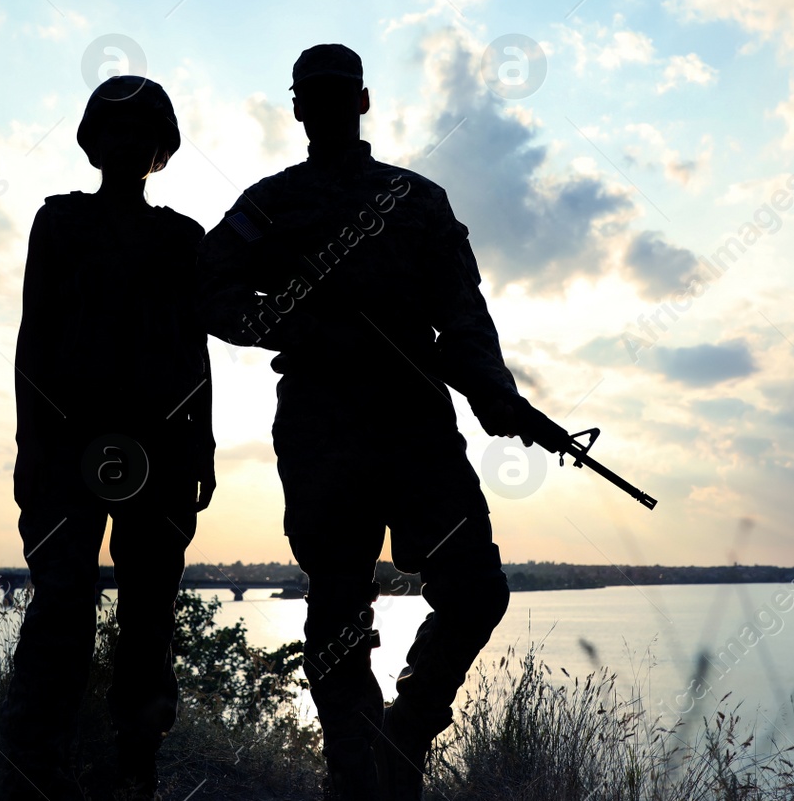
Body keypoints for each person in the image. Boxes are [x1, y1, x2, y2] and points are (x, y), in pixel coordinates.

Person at [197, 44, 544, 800]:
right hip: (323, 424)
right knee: (338, 603)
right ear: (298, 107)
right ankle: (356, 771)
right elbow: (209, 286)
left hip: (416, 420)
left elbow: (462, 315)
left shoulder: (418, 200)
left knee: (476, 586)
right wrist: (284, 322)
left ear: (361, 101)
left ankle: (404, 731)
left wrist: (497, 395)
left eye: (336, 93)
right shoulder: (271, 203)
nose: (323, 106)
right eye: (311, 95)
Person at [3, 75, 215, 801]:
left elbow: (195, 350)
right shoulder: (59, 224)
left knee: (150, 612)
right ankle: (37, 766)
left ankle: (135, 768)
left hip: (160, 447)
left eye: (143, 135)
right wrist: (31, 449)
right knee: (61, 604)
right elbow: (34, 337)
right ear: (93, 143)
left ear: (162, 150)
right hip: (67, 444)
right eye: (114, 132)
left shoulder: (184, 239)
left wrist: (204, 443)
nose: (128, 146)